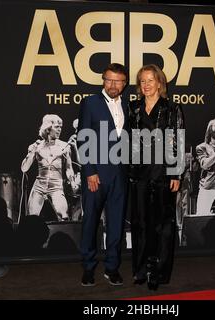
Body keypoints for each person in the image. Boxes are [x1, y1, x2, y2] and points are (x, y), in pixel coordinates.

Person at [129, 64, 185, 290]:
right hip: (140, 174)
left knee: (163, 226)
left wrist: (176, 172)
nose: (146, 85)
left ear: (160, 83)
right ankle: (140, 270)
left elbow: (178, 142)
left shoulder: (172, 108)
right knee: (140, 223)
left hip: (163, 173)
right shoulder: (133, 108)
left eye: (150, 80)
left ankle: (159, 273)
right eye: (142, 81)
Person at [77, 63, 129, 286]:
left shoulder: (129, 104)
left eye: (118, 81)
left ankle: (111, 267)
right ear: (103, 80)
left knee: (116, 224)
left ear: (124, 84)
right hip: (96, 175)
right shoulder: (90, 103)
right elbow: (83, 136)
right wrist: (90, 171)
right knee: (90, 222)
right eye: (109, 80)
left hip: (121, 175)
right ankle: (88, 267)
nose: (113, 85)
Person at [21, 114, 75, 222]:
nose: (60, 130)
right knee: (32, 217)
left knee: (63, 215)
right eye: (57, 127)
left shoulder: (64, 147)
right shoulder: (37, 146)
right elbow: (24, 169)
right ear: (48, 128)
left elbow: (69, 168)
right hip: (39, 186)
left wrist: (72, 182)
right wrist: (31, 152)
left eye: (61, 127)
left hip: (56, 186)